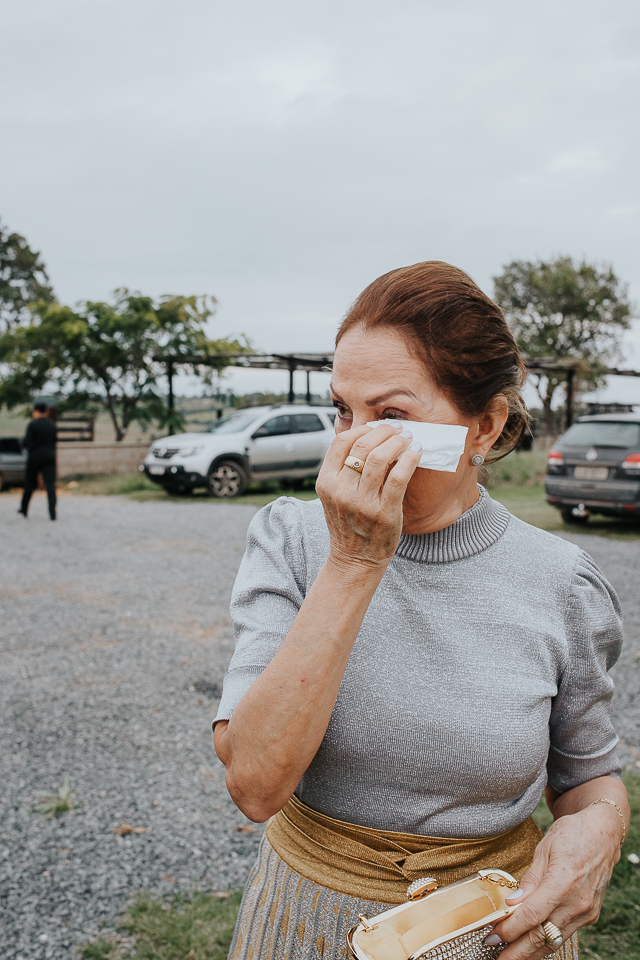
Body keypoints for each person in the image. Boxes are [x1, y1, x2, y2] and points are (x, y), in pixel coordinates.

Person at [213, 262, 628, 960]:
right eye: (343, 411)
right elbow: (254, 785)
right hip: (303, 926)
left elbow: (588, 776)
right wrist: (353, 562)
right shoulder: (291, 540)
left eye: (392, 417)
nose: (353, 446)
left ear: (484, 428)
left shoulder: (563, 582)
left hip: (494, 934)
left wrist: (602, 830)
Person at [19, 402, 57, 520]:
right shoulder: (52, 425)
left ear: (36, 411)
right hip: (50, 456)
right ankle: (52, 512)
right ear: (46, 411)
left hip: (35, 456)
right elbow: (54, 441)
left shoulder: (33, 425)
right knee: (50, 485)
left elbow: (27, 441)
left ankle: (24, 509)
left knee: (30, 483)